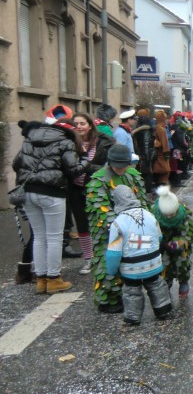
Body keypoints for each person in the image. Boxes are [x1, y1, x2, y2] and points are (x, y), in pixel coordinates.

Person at [12, 108, 89, 294]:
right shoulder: (65, 141)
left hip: (29, 192)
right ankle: (53, 279)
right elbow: (73, 170)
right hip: (52, 192)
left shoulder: (30, 139)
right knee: (54, 237)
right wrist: (85, 160)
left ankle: (41, 279)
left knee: (39, 236)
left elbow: (16, 164)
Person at [85, 144, 148, 313]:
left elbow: (141, 199)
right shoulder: (98, 181)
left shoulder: (133, 176)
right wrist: (119, 227)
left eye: (124, 166)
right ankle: (108, 299)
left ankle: (127, 294)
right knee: (107, 261)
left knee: (130, 260)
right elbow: (101, 209)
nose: (120, 169)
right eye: (117, 166)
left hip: (131, 227)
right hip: (107, 230)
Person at [105, 185, 172, 326]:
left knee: (132, 290)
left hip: (131, 267)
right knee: (156, 284)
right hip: (153, 263)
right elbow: (159, 237)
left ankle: (133, 317)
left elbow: (114, 253)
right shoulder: (149, 215)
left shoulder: (118, 223)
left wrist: (112, 270)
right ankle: (163, 309)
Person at [68, 112, 114, 275]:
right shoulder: (69, 142)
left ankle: (106, 256)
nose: (78, 127)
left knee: (101, 222)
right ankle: (89, 259)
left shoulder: (103, 141)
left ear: (90, 125)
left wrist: (87, 167)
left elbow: (108, 168)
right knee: (82, 224)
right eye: (76, 124)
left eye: (82, 123)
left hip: (96, 188)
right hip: (75, 188)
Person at [152, 184, 193, 298]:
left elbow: (188, 234)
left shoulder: (183, 214)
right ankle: (167, 282)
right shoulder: (154, 215)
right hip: (162, 243)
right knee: (164, 263)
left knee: (182, 261)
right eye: (167, 215)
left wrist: (178, 243)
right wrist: (161, 243)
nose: (170, 217)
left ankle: (183, 280)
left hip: (179, 244)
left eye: (172, 214)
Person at [132, 109, 155, 194]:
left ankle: (142, 192)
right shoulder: (146, 131)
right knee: (148, 175)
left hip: (139, 156)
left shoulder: (137, 130)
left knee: (141, 175)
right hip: (144, 157)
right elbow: (146, 145)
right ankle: (147, 193)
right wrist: (147, 158)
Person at [152, 109, 172, 186]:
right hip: (162, 154)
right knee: (164, 172)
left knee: (160, 172)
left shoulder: (157, 127)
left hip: (159, 154)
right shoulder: (161, 129)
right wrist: (166, 153)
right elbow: (165, 143)